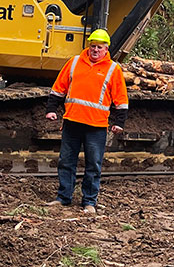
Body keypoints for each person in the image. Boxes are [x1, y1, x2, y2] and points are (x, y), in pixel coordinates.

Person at [45, 29, 128, 214]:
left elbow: (121, 99)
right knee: (66, 161)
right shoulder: (74, 63)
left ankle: (89, 201)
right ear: (88, 46)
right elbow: (58, 88)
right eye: (93, 46)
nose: (95, 50)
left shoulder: (113, 69)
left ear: (106, 49)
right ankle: (63, 197)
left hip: (96, 126)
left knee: (93, 164)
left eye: (99, 47)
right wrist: (51, 109)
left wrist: (119, 122)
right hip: (72, 122)